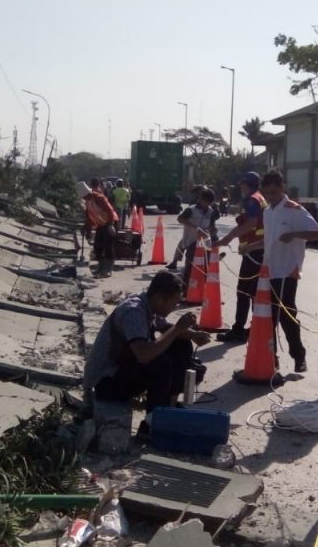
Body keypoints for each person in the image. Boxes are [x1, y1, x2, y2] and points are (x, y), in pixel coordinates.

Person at [83, 270, 210, 413]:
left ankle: (170, 404)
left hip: (122, 367)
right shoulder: (134, 311)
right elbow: (144, 355)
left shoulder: (149, 305)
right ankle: (152, 423)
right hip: (105, 380)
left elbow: (165, 327)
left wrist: (193, 334)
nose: (176, 307)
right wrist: (177, 330)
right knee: (161, 364)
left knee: (182, 343)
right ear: (160, 298)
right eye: (174, 302)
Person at [258, 170, 318, 373]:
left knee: (287, 316)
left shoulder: (294, 210)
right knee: (268, 318)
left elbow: (316, 233)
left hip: (287, 272)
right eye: (267, 193)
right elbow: (268, 240)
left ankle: (298, 356)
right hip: (268, 271)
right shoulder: (267, 212)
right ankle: (271, 358)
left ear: (282, 188)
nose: (271, 197)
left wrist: (294, 234)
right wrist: (249, 247)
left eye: (274, 192)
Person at [216, 171, 266, 343]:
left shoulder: (252, 200)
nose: (240, 187)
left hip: (254, 252)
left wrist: (227, 238)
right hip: (258, 250)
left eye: (242, 184)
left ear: (248, 184)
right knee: (253, 293)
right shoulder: (260, 198)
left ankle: (239, 330)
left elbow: (251, 223)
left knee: (244, 291)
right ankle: (254, 328)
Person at [167, 188, 219, 292]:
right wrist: (195, 228)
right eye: (206, 202)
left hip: (205, 243)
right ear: (200, 199)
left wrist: (211, 232)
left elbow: (212, 226)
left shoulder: (211, 211)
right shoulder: (191, 209)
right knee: (190, 266)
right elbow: (180, 219)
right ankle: (186, 290)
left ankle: (202, 289)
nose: (207, 205)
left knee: (205, 266)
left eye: (209, 203)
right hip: (191, 241)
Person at [84, 177, 119, 277]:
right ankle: (100, 268)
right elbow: (89, 216)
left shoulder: (99, 197)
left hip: (110, 222)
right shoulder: (87, 201)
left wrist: (111, 224)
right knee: (98, 247)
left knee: (108, 246)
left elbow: (110, 211)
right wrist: (87, 230)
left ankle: (108, 269)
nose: (83, 199)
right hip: (101, 223)